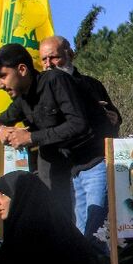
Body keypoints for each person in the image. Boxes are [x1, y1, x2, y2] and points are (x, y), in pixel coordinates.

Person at [0, 43, 104, 223]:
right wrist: (1, 130)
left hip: (90, 166)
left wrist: (31, 137)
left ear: (22, 69)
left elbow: (79, 124)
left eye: (3, 76)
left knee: (93, 231)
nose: (0, 85)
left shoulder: (55, 81)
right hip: (62, 176)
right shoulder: (22, 100)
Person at [39, 35, 120, 239]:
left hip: (95, 163)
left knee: (96, 229)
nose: (48, 64)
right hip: (66, 171)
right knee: (80, 231)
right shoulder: (40, 93)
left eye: (53, 57)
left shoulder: (90, 85)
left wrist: (112, 117)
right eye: (43, 59)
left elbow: (114, 117)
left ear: (70, 55)